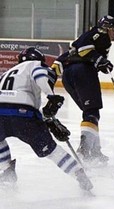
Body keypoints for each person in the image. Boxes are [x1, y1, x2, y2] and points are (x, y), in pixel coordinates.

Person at [0, 47, 93, 191]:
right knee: (51, 150)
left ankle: (7, 171)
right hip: (24, 116)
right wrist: (51, 95)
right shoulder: (35, 64)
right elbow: (40, 75)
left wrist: (46, 119)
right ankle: (80, 175)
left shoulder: (6, 73)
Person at [51, 15, 114, 164]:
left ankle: (95, 150)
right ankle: (84, 150)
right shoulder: (101, 35)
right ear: (107, 28)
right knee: (91, 113)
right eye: (113, 30)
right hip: (83, 72)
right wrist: (100, 60)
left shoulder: (90, 36)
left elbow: (63, 59)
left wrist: (101, 63)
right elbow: (84, 50)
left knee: (90, 114)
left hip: (68, 76)